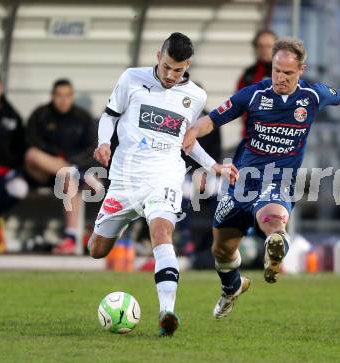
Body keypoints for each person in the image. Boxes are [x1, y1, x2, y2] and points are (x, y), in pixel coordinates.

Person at [183, 37, 340, 319]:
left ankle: (276, 245)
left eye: (288, 73)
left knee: (275, 218)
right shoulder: (253, 94)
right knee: (221, 250)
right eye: (276, 70)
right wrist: (194, 130)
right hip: (242, 182)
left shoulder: (312, 95)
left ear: (301, 70)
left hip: (277, 180)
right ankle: (232, 287)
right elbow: (213, 119)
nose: (280, 77)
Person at [88, 32, 238, 337]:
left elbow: (188, 142)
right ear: (159, 56)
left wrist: (214, 166)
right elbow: (109, 115)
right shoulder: (132, 78)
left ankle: (166, 313)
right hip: (126, 179)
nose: (171, 75)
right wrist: (104, 142)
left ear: (188, 66)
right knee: (96, 250)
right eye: (167, 66)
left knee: (161, 232)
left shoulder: (195, 96)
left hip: (165, 175)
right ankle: (124, 223)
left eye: (178, 70)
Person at [25, 79, 97, 254]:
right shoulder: (41, 115)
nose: (63, 100)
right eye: (59, 95)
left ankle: (70, 237)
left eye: (67, 96)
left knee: (67, 177)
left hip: (69, 175)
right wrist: (57, 158)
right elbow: (31, 141)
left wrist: (73, 163)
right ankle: (71, 170)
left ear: (72, 97)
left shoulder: (83, 118)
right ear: (52, 96)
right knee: (32, 155)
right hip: (43, 171)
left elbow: (91, 148)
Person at [237, 29, 277, 137]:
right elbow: (238, 104)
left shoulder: (284, 73)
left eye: (269, 46)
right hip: (252, 135)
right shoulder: (248, 74)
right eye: (261, 46)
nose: (264, 50)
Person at [0, 77, 28, 215]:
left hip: (6, 171)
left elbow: (20, 148)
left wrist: (14, 170)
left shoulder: (12, 116)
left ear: (0, 87)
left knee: (19, 188)